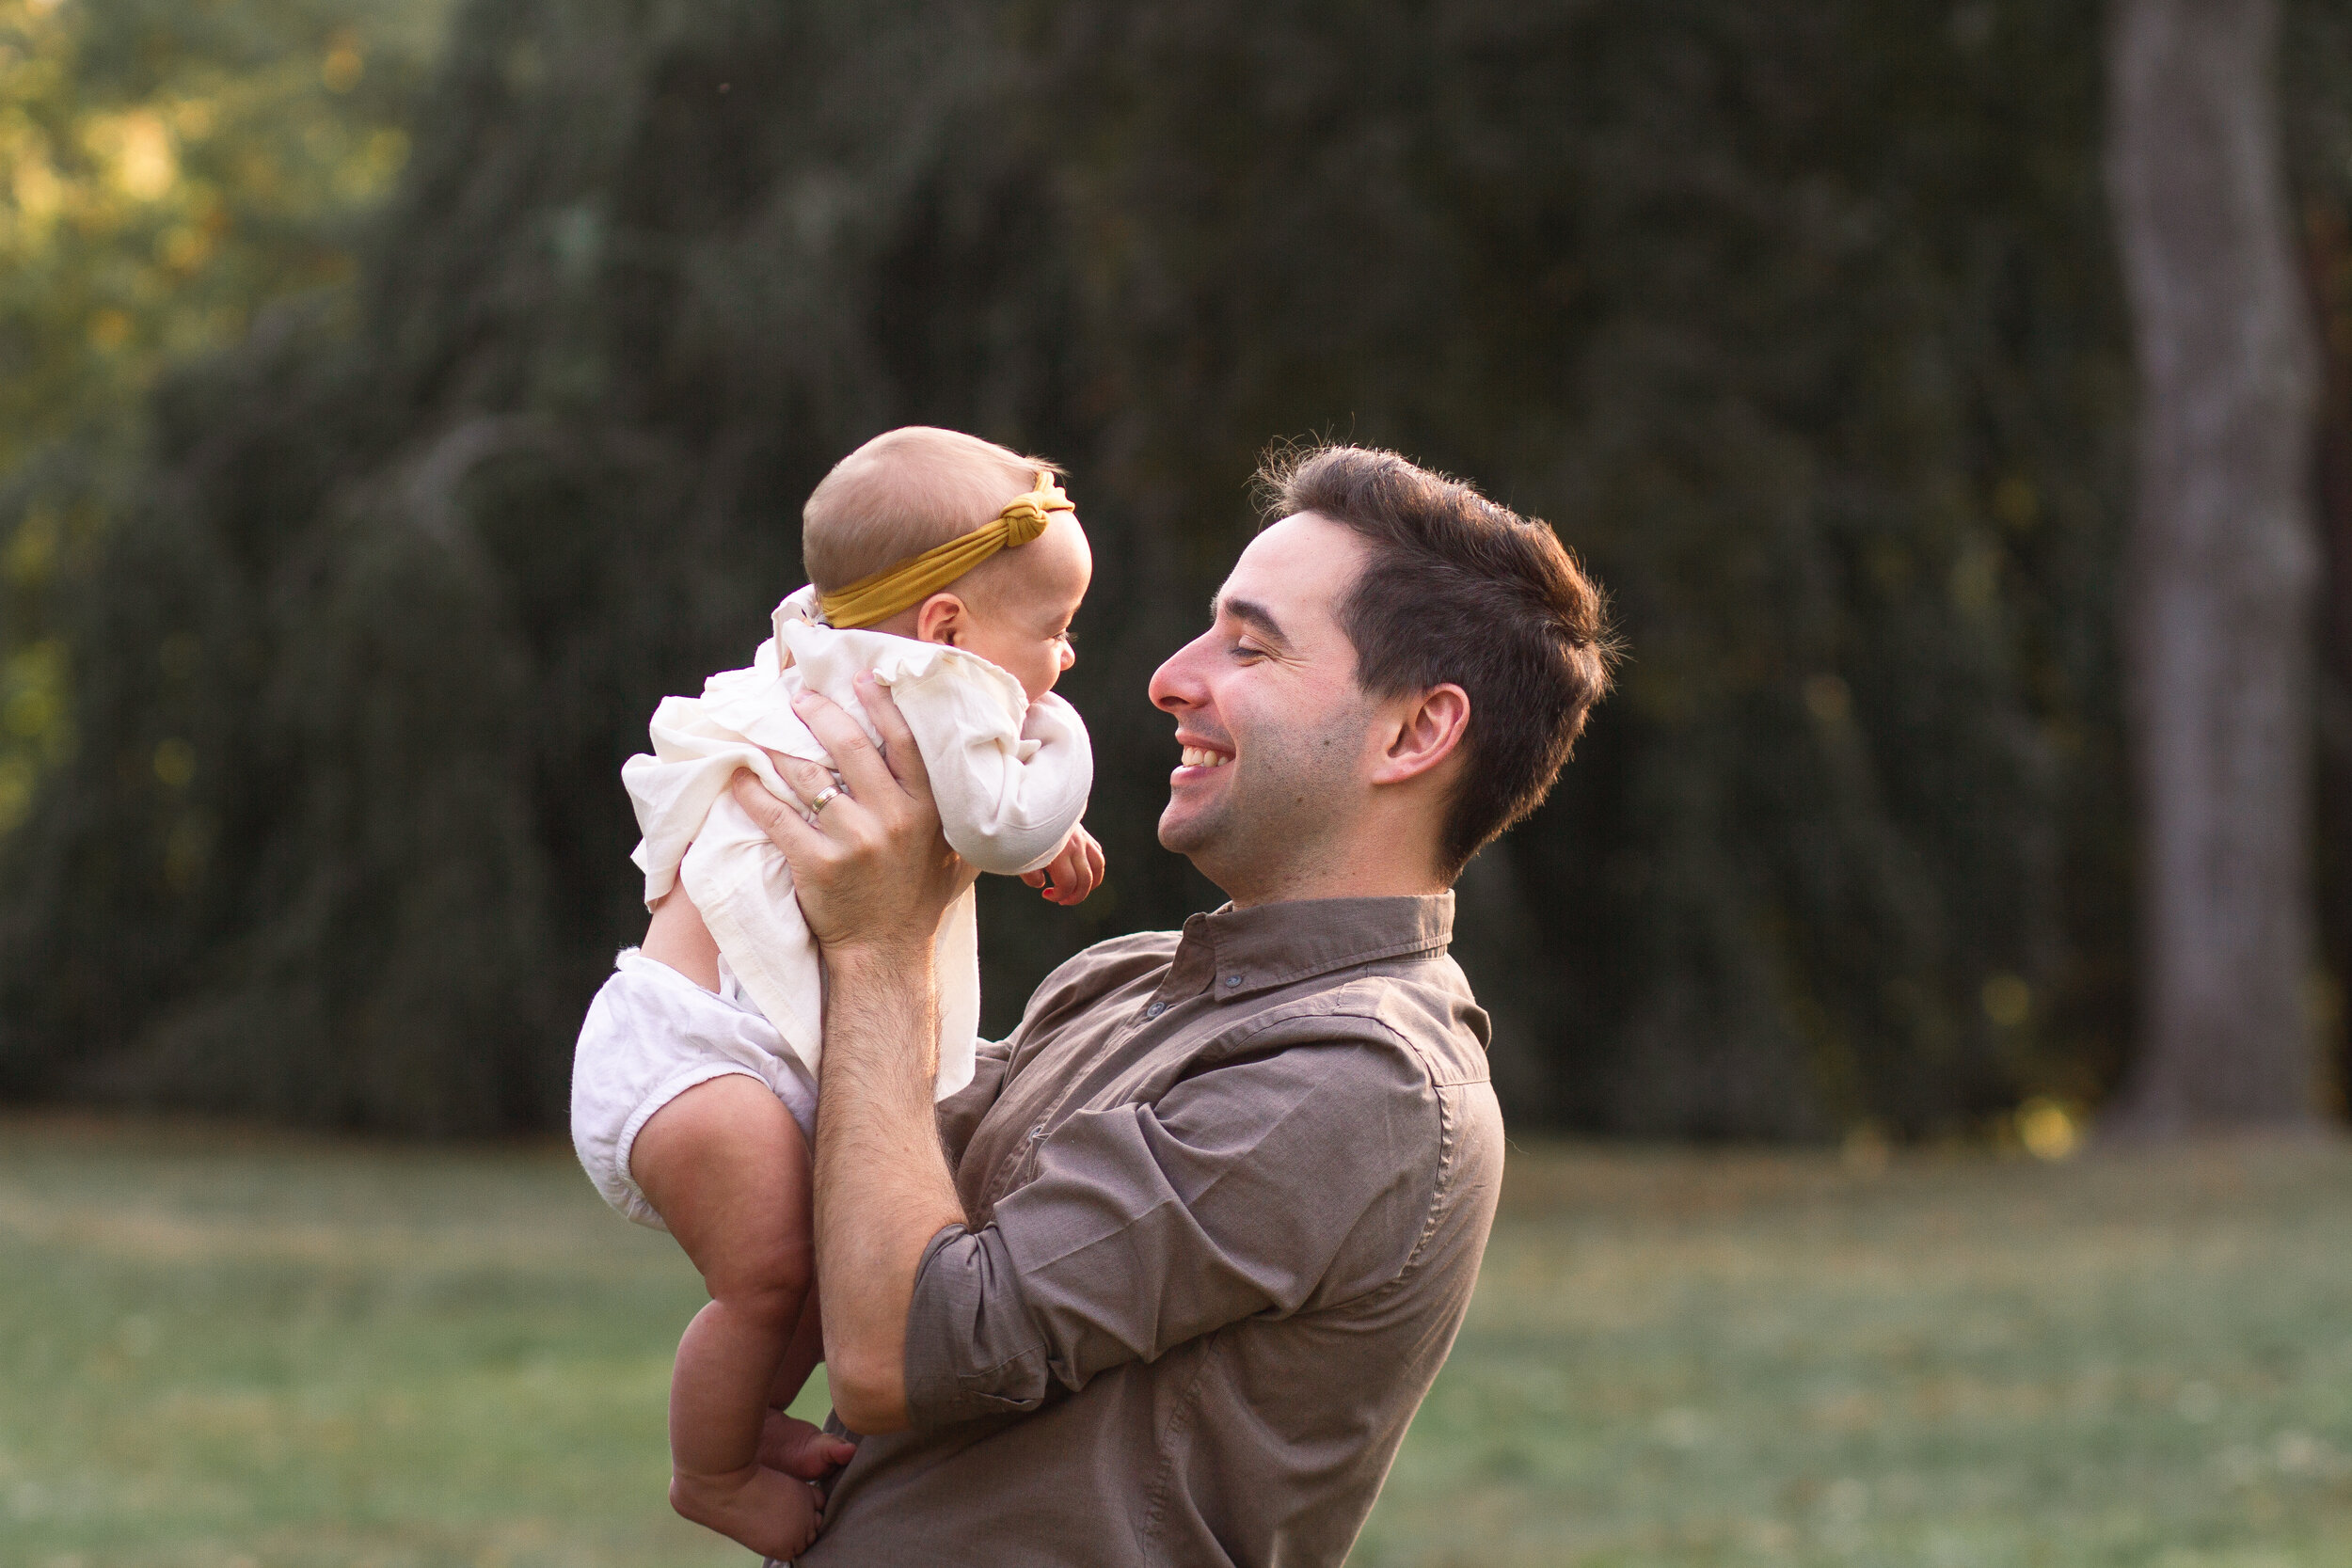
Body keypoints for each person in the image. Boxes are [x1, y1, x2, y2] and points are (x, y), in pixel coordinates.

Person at [726, 441, 1614, 1565]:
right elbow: (855, 1206)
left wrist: (883, 944)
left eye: (1249, 643)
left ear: (1415, 732)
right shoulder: (1118, 979)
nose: (1166, 675)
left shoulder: (1369, 1082)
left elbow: (900, 1345)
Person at [568, 426, 1108, 1558]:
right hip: (696, 1051)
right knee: (767, 1275)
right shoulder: (925, 686)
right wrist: (1055, 776)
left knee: (835, 1274)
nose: (1064, 662)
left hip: (725, 1050)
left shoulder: (829, 656)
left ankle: (750, 1419)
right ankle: (710, 1469)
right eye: (1054, 632)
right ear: (948, 628)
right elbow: (1000, 814)